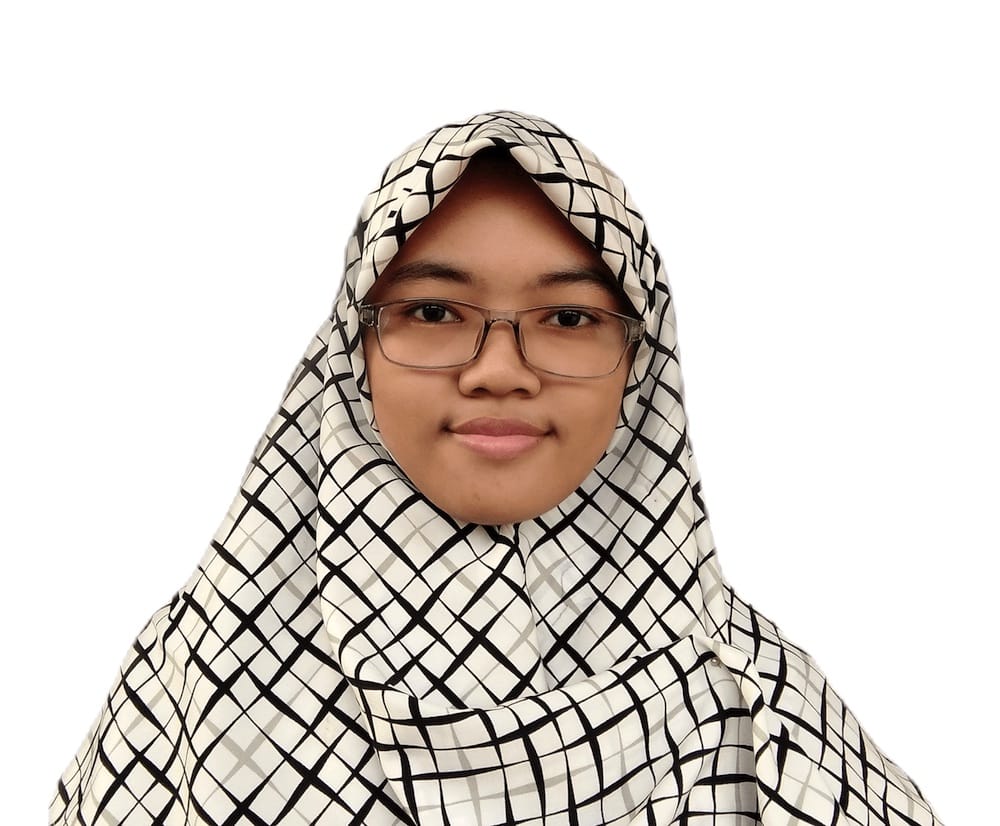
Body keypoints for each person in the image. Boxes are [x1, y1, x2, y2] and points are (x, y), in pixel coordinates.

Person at [51, 111, 941, 825]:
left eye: (569, 319)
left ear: (640, 367)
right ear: (355, 355)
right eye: (436, 311)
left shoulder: (756, 708)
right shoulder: (197, 680)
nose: (500, 370)